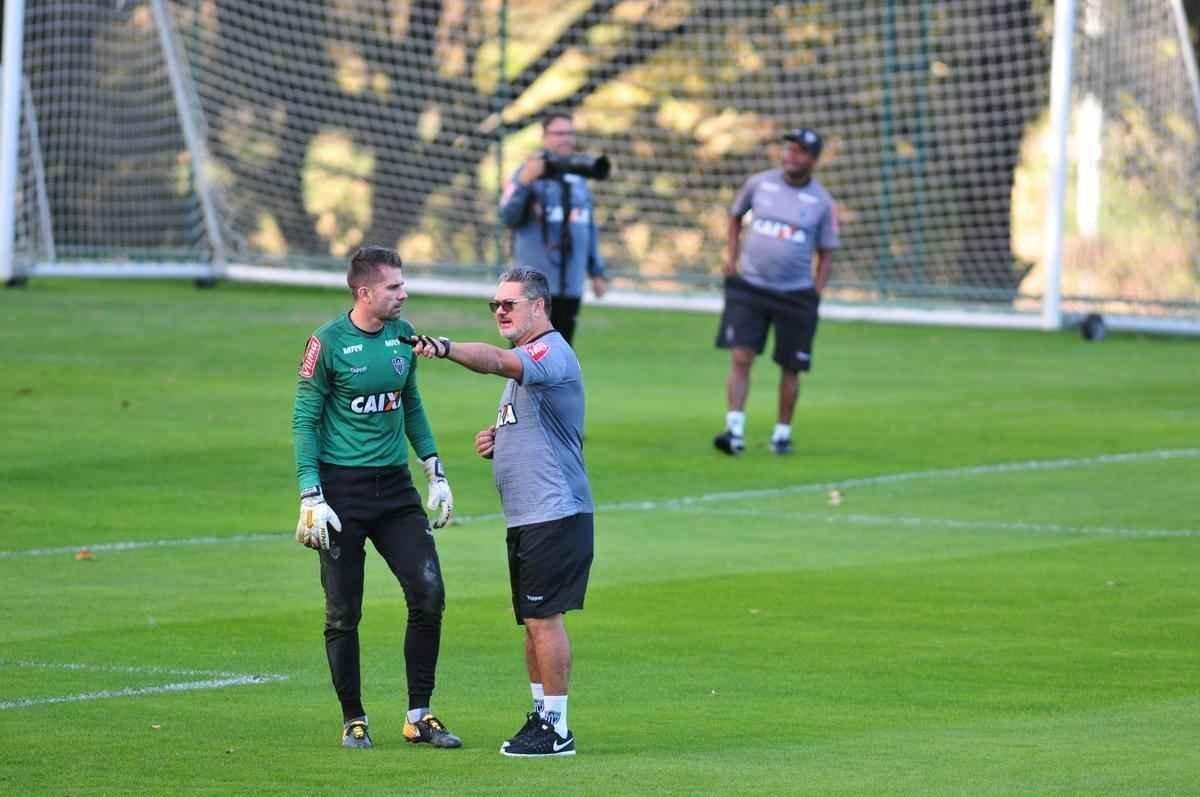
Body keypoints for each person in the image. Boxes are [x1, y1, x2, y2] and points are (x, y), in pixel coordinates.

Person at [407, 267, 593, 758]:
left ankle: (557, 728)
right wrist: (499, 440)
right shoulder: (528, 363)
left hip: (554, 512)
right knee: (533, 619)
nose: (501, 311)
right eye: (495, 305)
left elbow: (492, 360)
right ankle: (541, 716)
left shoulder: (548, 352)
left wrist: (442, 347)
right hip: (529, 516)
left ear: (540, 307)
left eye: (510, 303)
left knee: (544, 619)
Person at [292, 245, 462, 750]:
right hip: (341, 491)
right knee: (343, 610)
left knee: (429, 593)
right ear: (364, 292)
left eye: (404, 285)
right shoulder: (326, 344)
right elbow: (305, 420)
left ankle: (419, 714)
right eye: (394, 287)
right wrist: (310, 492)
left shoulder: (402, 339)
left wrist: (434, 468)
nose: (404, 293)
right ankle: (353, 718)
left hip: (395, 490)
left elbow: (410, 403)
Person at [713, 127, 840, 456]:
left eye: (799, 151)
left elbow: (827, 250)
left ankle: (782, 433)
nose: (790, 156)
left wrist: (817, 290)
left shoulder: (821, 202)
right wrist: (731, 257)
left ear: (812, 159)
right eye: (788, 149)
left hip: (795, 293)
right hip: (751, 286)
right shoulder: (760, 183)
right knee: (741, 356)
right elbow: (734, 215)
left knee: (791, 366)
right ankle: (734, 430)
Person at [498, 109, 608, 345]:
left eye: (569, 133)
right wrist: (525, 182)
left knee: (562, 355)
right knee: (525, 357)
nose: (565, 138)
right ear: (545, 136)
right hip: (532, 287)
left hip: (570, 285)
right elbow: (507, 215)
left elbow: (587, 228)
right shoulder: (527, 172)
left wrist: (596, 271)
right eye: (558, 133)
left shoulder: (579, 179)